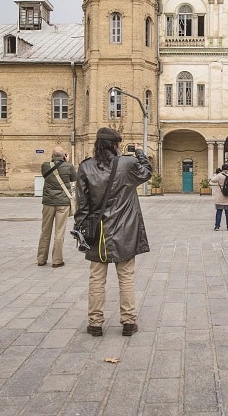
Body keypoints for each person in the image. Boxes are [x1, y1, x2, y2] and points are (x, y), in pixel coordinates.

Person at [75, 128, 152, 337]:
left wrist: (82, 229)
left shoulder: (86, 167)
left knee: (96, 278)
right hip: (125, 230)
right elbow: (147, 171)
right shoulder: (128, 165)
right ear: (115, 145)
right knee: (126, 277)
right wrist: (139, 152)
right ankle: (128, 322)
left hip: (98, 232)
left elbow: (81, 203)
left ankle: (95, 323)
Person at [37, 146, 77, 268]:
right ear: (63, 155)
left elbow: (45, 176)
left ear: (52, 155)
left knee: (45, 231)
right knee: (59, 232)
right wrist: (67, 161)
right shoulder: (69, 166)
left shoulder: (45, 165)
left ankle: (41, 259)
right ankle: (57, 260)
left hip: (48, 202)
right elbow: (73, 179)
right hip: (63, 203)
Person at [210, 163, 228, 231]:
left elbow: (212, 180)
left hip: (220, 196)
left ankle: (217, 226)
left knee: (219, 212)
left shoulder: (220, 175)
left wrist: (216, 173)